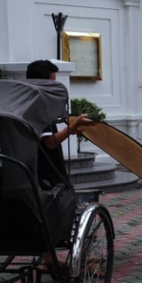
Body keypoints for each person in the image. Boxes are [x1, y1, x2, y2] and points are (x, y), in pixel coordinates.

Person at [25, 60, 92, 189]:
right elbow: (50, 142)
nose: (54, 85)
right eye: (52, 81)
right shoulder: (38, 106)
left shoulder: (27, 102)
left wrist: (71, 130)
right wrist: (72, 127)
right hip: (45, 170)